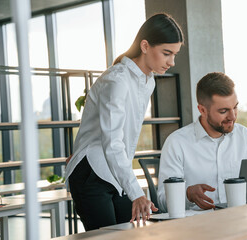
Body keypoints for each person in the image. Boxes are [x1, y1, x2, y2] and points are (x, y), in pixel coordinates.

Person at [65, 13, 184, 231]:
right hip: (92, 171)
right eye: (166, 53)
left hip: (115, 172)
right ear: (145, 46)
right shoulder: (117, 80)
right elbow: (113, 142)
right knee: (109, 237)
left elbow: (125, 140)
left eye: (174, 54)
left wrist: (131, 188)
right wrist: (137, 193)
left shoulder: (148, 81)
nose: (172, 62)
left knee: (130, 234)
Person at [157, 72, 247, 212]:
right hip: (199, 227)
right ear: (202, 110)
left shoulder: (244, 136)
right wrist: (187, 195)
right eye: (223, 111)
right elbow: (162, 202)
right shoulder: (177, 143)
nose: (232, 116)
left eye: (235, 107)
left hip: (242, 219)